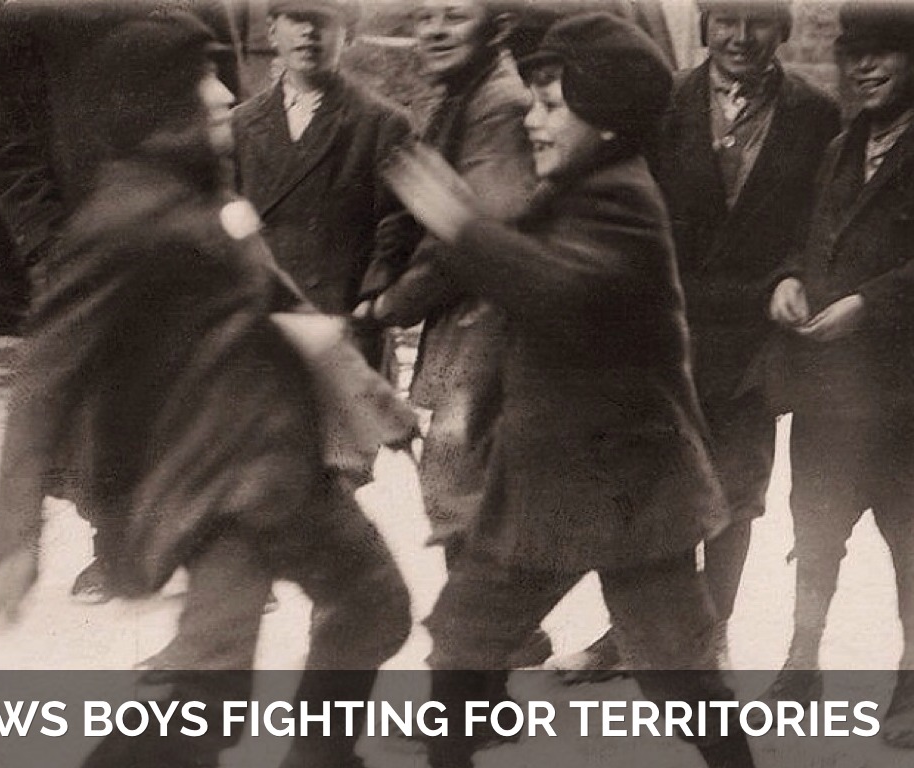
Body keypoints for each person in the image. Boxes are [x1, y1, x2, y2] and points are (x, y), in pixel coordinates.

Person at [0, 12, 413, 768]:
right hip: (219, 491)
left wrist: (379, 404)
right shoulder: (122, 220)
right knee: (216, 691)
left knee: (364, 613)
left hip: (281, 473)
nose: (223, 95)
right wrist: (16, 539)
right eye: (200, 82)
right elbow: (44, 380)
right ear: (157, 107)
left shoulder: (206, 193)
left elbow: (283, 302)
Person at [382, 13, 755, 768]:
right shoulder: (573, 188)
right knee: (465, 642)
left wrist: (459, 225)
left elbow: (557, 290)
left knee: (676, 669)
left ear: (608, 123)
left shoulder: (623, 200)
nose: (532, 118)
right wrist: (396, 299)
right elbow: (508, 268)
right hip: (564, 478)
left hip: (623, 482)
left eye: (552, 105)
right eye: (533, 101)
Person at [561, 0, 840, 682]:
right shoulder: (664, 100)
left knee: (734, 495)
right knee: (651, 483)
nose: (740, 37)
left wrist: (794, 274)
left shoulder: (815, 114)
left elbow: (824, 219)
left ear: (783, 29)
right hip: (664, 328)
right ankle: (634, 635)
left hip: (754, 339)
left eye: (758, 21)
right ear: (706, 24)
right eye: (726, 20)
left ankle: (709, 638)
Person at [0, 0, 243, 603]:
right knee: (106, 404)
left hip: (191, 217)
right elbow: (9, 142)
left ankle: (219, 545)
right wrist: (47, 246)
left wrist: (224, 211)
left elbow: (231, 109)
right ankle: (116, 542)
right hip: (84, 232)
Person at [367, 0, 544, 669]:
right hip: (470, 324)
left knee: (463, 497)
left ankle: (477, 671)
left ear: (494, 26)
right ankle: (493, 653)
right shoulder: (458, 94)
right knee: (461, 497)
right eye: (424, 17)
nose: (435, 30)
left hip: (488, 326)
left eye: (454, 15)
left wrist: (393, 302)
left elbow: (471, 235)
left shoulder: (498, 105)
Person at [760, 1, 914, 748]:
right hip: (829, 387)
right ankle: (801, 664)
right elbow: (805, 237)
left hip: (904, 394)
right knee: (815, 527)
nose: (866, 66)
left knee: (910, 536)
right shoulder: (841, 147)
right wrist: (788, 278)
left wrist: (870, 305)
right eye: (855, 53)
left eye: (887, 52)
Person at [230, 0, 411, 371]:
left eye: (322, 21)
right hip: (259, 323)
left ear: (350, 35)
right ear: (272, 32)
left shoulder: (381, 123)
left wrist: (370, 301)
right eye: (297, 19)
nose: (308, 32)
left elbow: (397, 225)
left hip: (340, 325)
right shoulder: (240, 125)